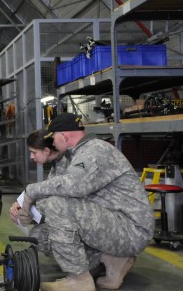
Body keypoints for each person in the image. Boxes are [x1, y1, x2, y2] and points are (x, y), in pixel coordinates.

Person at [16, 113, 154, 291]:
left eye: (54, 138)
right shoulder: (74, 155)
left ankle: (79, 279)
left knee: (57, 204)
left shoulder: (95, 151)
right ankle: (111, 260)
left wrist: (30, 191)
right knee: (41, 236)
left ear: (64, 135)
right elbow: (61, 192)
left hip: (131, 229)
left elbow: (73, 186)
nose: (53, 144)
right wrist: (28, 211)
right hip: (113, 222)